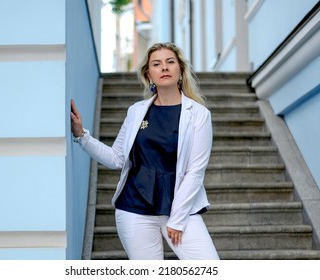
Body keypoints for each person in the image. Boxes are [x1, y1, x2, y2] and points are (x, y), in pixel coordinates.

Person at [71, 42, 219, 260]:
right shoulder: (136, 112)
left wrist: (176, 220)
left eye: (170, 62)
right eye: (156, 64)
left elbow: (195, 172)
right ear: (149, 74)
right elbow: (117, 158)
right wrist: (81, 136)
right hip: (134, 207)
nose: (164, 67)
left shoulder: (198, 114)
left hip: (180, 210)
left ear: (180, 70)